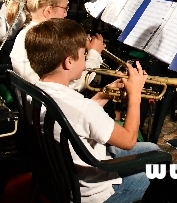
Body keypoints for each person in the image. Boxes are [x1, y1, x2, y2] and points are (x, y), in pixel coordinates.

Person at [25, 18, 161, 203]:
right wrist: (135, 95)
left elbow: (76, 119)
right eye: (83, 54)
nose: (86, 58)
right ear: (69, 62)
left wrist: (104, 95)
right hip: (98, 192)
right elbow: (129, 140)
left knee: (152, 149)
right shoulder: (83, 109)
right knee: (161, 173)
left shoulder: (34, 90)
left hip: (66, 176)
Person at [7, 0, 103, 88]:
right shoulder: (47, 40)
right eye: (65, 8)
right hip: (49, 101)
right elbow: (78, 83)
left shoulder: (26, 32)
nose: (66, 14)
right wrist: (94, 53)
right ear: (48, 11)